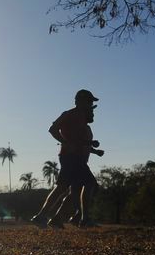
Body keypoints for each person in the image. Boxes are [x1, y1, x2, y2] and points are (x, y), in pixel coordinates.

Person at [31, 89, 104, 228]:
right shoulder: (71, 114)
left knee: (67, 188)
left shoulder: (81, 119)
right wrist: (65, 142)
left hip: (75, 158)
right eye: (89, 101)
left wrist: (92, 149)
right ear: (81, 101)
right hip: (71, 157)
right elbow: (53, 129)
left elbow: (77, 141)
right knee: (88, 184)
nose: (90, 105)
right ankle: (83, 219)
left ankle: (48, 217)